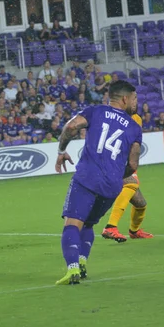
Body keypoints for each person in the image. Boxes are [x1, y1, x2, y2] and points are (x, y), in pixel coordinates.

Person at [54, 80, 141, 285]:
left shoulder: (95, 111)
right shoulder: (135, 127)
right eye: (135, 98)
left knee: (73, 223)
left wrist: (61, 151)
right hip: (112, 186)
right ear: (125, 99)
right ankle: (82, 262)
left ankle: (72, 269)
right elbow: (133, 163)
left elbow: (71, 126)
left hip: (87, 178)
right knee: (90, 223)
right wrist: (116, 173)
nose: (137, 103)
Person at [101, 113, 153, 242]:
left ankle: (134, 231)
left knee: (140, 204)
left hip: (123, 156)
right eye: (132, 98)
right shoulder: (113, 115)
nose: (135, 102)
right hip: (113, 156)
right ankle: (111, 226)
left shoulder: (136, 118)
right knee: (131, 183)